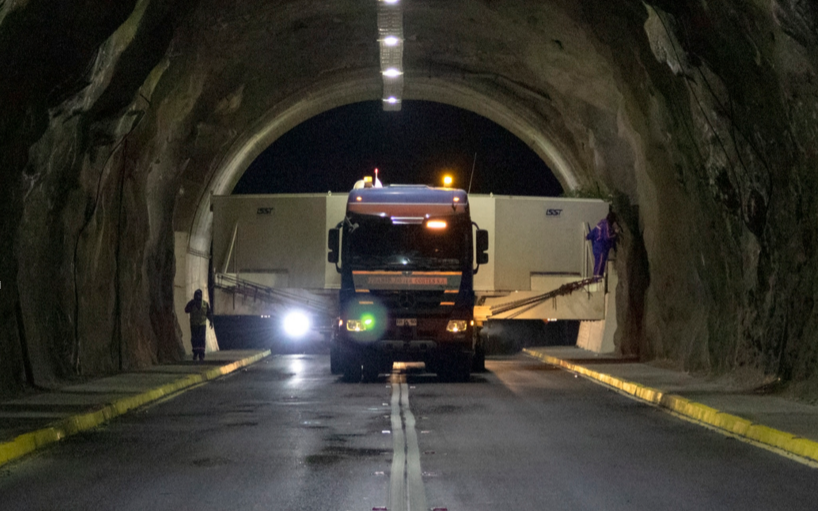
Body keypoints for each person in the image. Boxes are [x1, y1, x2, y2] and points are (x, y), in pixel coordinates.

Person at [586, 211, 618, 278]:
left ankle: (596, 277)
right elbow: (607, 237)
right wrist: (615, 234)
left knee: (597, 264)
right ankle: (597, 278)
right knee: (600, 264)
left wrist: (588, 236)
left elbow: (594, 231)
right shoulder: (607, 224)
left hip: (596, 247)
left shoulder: (600, 223)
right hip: (601, 248)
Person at [185, 289, 213, 361]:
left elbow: (208, 313)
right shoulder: (192, 303)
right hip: (194, 325)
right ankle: (196, 353)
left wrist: (211, 321)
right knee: (195, 340)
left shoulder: (205, 304)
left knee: (201, 340)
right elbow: (186, 310)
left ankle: (201, 354)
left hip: (201, 325)